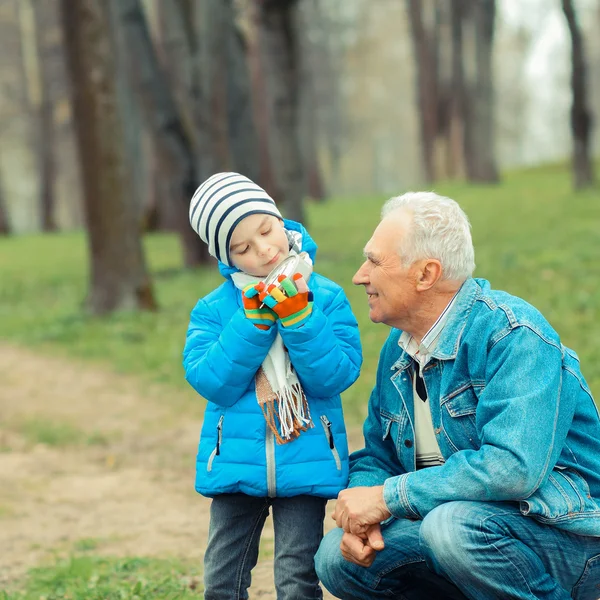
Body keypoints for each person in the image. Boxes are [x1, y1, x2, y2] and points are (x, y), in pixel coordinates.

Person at [315, 191, 600, 600]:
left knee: (449, 528)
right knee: (336, 559)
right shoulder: (398, 347)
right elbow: (379, 455)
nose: (361, 275)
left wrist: (388, 497)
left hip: (566, 537)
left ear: (426, 274)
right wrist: (363, 513)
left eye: (375, 261)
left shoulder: (512, 336)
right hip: (462, 532)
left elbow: (511, 468)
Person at [183, 172, 362, 599]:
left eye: (266, 230)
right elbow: (212, 382)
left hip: (308, 455)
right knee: (223, 577)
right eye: (242, 248)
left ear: (281, 220)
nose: (263, 250)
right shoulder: (213, 309)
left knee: (296, 577)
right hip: (235, 462)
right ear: (225, 258)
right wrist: (253, 324)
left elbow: (335, 376)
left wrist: (299, 318)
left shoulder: (327, 296)